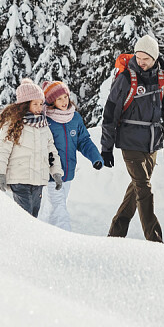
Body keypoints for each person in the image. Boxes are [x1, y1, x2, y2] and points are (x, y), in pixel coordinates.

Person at [100, 34, 164, 243]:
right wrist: (106, 147)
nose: (141, 62)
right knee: (144, 190)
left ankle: (115, 235)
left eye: (146, 58)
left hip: (152, 144)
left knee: (136, 189)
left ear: (154, 58)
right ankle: (155, 242)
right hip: (130, 142)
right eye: (138, 57)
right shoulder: (126, 79)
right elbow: (111, 112)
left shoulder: (163, 79)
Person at [0, 79, 64, 217]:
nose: (39, 107)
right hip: (19, 178)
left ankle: (28, 238)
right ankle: (20, 237)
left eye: (40, 103)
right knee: (25, 215)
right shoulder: (13, 124)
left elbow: (51, 152)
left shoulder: (43, 125)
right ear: (25, 105)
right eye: (35, 104)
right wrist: (0, 174)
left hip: (38, 179)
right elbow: (2, 151)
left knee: (34, 215)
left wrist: (56, 172)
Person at [42, 80, 103, 231]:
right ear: (51, 102)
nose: (64, 101)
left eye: (65, 97)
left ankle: (45, 233)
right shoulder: (46, 120)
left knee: (55, 208)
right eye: (59, 99)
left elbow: (83, 141)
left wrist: (96, 158)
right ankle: (65, 238)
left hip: (68, 174)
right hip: (51, 174)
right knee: (59, 208)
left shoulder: (74, 118)